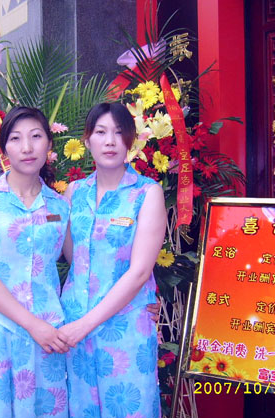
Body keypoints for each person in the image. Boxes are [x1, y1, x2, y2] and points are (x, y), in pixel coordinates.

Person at [0, 106, 70, 417]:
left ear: (49, 144)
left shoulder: (61, 206)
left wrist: (141, 298)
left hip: (48, 335)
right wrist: (33, 325)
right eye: (16, 138)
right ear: (4, 147)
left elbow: (85, 264)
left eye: (36, 137)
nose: (27, 147)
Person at [60, 102, 167, 417]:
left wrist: (85, 325)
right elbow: (73, 258)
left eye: (119, 133)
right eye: (101, 132)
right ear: (87, 139)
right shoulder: (73, 193)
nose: (110, 141)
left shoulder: (147, 193)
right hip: (73, 326)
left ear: (131, 140)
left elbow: (140, 272)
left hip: (125, 327)